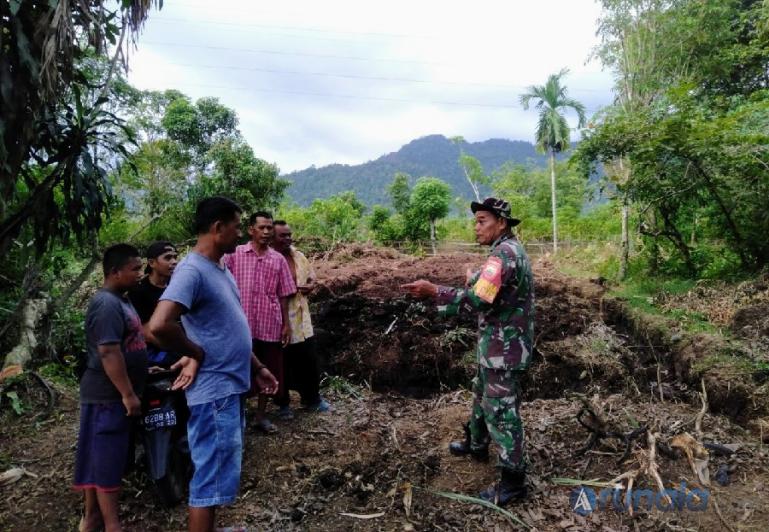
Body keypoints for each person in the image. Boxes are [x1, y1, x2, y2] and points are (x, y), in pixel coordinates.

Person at [148, 197, 279, 532]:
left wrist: (257, 366)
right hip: (214, 390)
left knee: (217, 472)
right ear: (218, 228)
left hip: (229, 386)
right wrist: (195, 352)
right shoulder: (191, 271)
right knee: (209, 478)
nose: (240, 234)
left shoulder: (219, 267)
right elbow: (159, 325)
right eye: (237, 227)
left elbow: (226, 327)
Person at [402, 197, 535, 507]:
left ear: (501, 223)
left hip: (503, 349)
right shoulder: (508, 251)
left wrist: (435, 292)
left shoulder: (501, 256)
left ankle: (514, 481)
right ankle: (476, 444)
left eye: (482, 221)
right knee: (480, 393)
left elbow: (479, 299)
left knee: (501, 410)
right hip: (498, 345)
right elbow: (489, 293)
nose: (476, 228)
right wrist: (464, 288)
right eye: (475, 221)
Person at [74, 244, 147, 532]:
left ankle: (92, 519)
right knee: (107, 459)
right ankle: (112, 525)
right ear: (115, 272)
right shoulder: (106, 304)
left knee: (99, 456)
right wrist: (128, 393)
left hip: (114, 393)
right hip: (107, 396)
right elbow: (108, 352)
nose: (140, 274)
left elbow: (127, 344)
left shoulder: (121, 300)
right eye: (135, 269)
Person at [224, 211, 296, 432]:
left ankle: (261, 416)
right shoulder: (235, 255)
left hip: (269, 324)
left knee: (269, 368)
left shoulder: (278, 259)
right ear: (250, 230)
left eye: (269, 228)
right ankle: (237, 416)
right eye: (262, 228)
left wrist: (286, 324)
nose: (266, 232)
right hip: (240, 325)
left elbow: (283, 294)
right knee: (237, 368)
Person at [271, 220, 331, 415]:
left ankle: (312, 399)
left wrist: (311, 286)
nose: (288, 238)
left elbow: (312, 276)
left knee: (308, 360)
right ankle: (283, 403)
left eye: (289, 234)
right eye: (283, 235)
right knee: (283, 363)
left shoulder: (299, 256)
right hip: (280, 319)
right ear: (273, 238)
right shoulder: (269, 259)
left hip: (302, 318)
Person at [127, 241, 178, 368]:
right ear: (152, 263)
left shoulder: (177, 286)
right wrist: (179, 349)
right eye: (168, 258)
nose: (174, 262)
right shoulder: (138, 291)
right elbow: (143, 330)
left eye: (175, 257)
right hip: (153, 349)